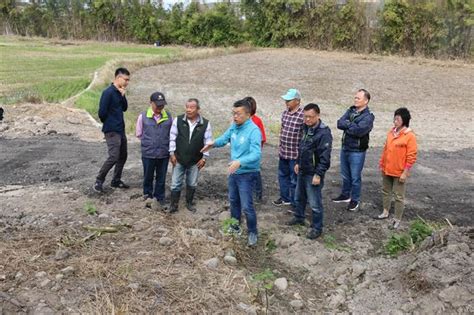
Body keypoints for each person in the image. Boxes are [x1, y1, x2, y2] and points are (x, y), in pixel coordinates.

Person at [201, 99, 262, 246]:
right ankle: (235, 226)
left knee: (247, 205)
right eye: (233, 113)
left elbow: (256, 154)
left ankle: (253, 232)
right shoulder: (234, 126)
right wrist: (213, 143)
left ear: (247, 114)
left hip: (247, 173)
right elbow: (224, 138)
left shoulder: (253, 131)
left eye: (238, 114)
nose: (235, 117)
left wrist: (240, 161)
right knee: (234, 201)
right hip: (234, 172)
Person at [287, 103, 332, 239]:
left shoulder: (324, 133)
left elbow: (325, 157)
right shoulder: (305, 128)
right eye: (305, 117)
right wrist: (297, 162)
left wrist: (318, 174)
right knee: (299, 197)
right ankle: (299, 217)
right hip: (302, 169)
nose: (307, 120)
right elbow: (302, 147)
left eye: (310, 117)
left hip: (313, 173)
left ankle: (317, 228)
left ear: (318, 116)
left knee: (314, 202)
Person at [333, 89, 375, 211]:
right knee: (345, 175)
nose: (355, 100)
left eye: (358, 98)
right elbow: (339, 123)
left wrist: (348, 125)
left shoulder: (368, 117)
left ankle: (355, 200)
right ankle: (345, 195)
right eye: (355, 97)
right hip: (345, 147)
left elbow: (359, 131)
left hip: (357, 151)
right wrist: (352, 125)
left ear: (366, 101)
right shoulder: (350, 110)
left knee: (355, 177)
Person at [168, 98, 213, 213]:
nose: (188, 110)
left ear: (198, 109)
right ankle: (173, 205)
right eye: (187, 107)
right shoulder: (178, 120)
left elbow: (208, 142)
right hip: (178, 159)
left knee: (192, 183)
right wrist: (172, 153)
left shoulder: (205, 124)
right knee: (175, 183)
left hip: (195, 160)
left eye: (192, 107)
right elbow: (172, 137)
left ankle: (189, 203)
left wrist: (204, 158)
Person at [377, 107, 417, 229]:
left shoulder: (409, 136)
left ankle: (397, 218)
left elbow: (411, 156)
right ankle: (385, 212)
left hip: (399, 172)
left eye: (398, 119)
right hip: (387, 169)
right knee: (385, 191)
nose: (395, 121)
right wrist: (382, 164)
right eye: (394, 118)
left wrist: (405, 172)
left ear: (404, 120)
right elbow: (385, 150)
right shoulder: (390, 132)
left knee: (399, 196)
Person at [94, 68, 130, 193]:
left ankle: (116, 180)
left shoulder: (120, 92)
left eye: (128, 80)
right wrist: (109, 123)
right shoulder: (108, 92)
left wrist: (123, 95)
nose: (127, 82)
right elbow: (102, 112)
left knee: (123, 156)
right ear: (118, 78)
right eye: (125, 79)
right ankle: (99, 180)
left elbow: (124, 108)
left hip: (121, 129)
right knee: (114, 156)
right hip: (111, 129)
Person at [136, 92, 173, 210]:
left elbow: (172, 134)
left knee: (161, 177)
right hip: (148, 153)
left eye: (162, 105)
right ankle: (147, 195)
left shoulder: (168, 116)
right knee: (148, 176)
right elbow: (139, 134)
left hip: (163, 153)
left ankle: (159, 198)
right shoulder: (143, 116)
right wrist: (150, 143)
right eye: (157, 105)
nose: (159, 108)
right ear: (151, 103)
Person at [273, 89, 304, 209]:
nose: (286, 102)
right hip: (284, 152)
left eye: (289, 100)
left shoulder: (302, 115)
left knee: (294, 179)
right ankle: (285, 197)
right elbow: (283, 129)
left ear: (297, 101)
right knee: (282, 176)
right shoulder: (285, 113)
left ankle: (294, 201)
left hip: (295, 154)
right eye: (286, 100)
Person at [244, 96, 266, 202]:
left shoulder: (257, 121)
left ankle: (258, 194)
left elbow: (262, 139)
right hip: (242, 153)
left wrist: (256, 152)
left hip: (253, 153)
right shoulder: (239, 120)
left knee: (254, 173)